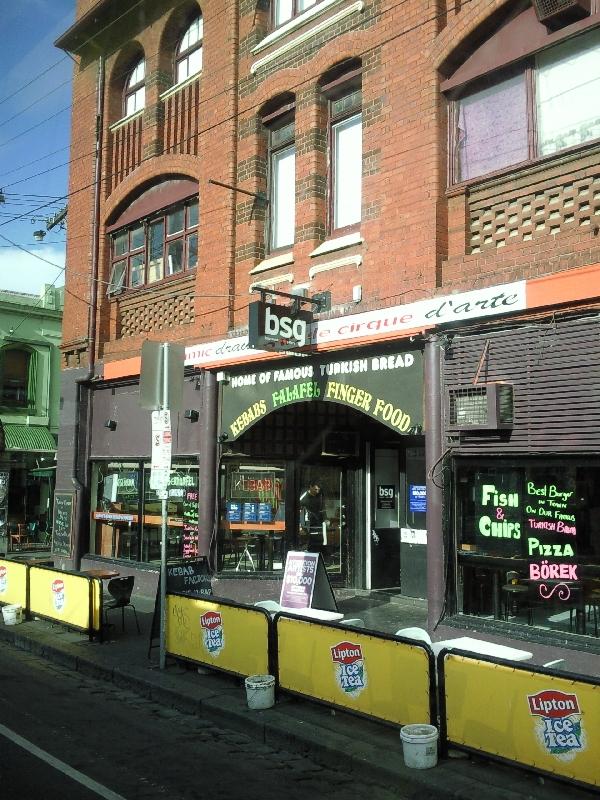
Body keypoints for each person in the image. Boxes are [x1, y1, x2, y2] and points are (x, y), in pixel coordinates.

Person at [299, 479, 327, 553]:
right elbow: (297, 510)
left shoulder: (320, 494)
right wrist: (300, 525)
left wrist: (325, 518)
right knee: (310, 541)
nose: (317, 491)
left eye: (318, 489)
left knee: (321, 540)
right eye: (315, 489)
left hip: (319, 521)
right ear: (310, 487)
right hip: (308, 523)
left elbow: (323, 507)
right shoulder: (304, 497)